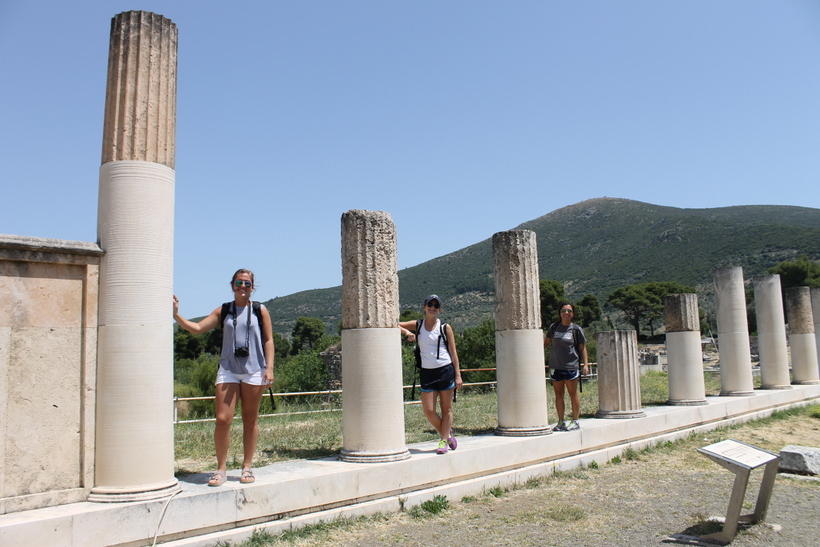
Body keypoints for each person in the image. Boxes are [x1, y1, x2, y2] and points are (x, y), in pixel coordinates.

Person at [173, 269, 274, 486]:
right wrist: (176, 315)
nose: (243, 287)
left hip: (255, 369)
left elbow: (268, 340)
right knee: (222, 419)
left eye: (247, 283)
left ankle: (247, 467)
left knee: (250, 420)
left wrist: (269, 368)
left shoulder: (260, 310)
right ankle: (221, 469)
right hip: (228, 368)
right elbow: (198, 328)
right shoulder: (225, 310)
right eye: (239, 282)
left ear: (252, 287)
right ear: (232, 285)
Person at [399, 294, 463, 454]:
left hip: (445, 369)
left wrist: (458, 375)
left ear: (439, 309)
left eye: (436, 305)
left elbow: (453, 352)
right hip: (427, 372)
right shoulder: (418, 325)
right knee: (428, 410)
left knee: (446, 408)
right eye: (430, 304)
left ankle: (443, 442)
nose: (432, 307)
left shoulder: (445, 327)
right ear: (424, 307)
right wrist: (407, 332)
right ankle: (447, 433)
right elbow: (393, 324)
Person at [544, 302, 589, 432]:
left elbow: (582, 348)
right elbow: (546, 343)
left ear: (572, 314)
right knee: (558, 394)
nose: (566, 313)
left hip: (571, 366)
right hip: (555, 366)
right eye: (564, 310)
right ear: (560, 313)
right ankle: (561, 421)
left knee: (572, 393)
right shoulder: (554, 327)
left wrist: (585, 364)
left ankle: (575, 421)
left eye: (569, 311)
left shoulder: (576, 329)